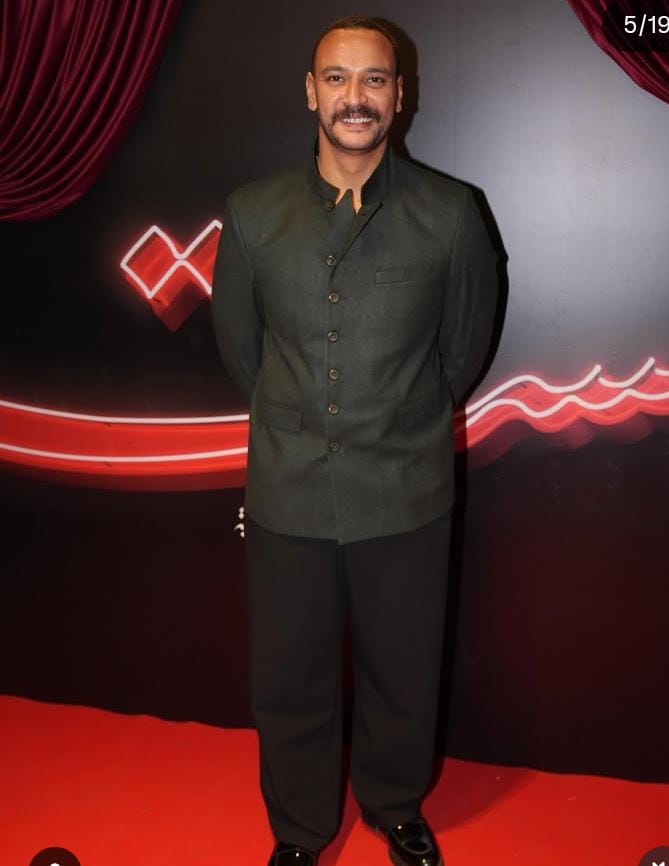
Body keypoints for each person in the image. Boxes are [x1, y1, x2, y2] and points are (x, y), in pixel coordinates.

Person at [211, 15, 499, 866]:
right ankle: (300, 830)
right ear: (310, 92)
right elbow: (243, 354)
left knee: (402, 670)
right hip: (288, 488)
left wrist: (398, 420)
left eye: (374, 79)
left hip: (406, 488)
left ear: (399, 96)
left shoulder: (452, 214)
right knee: (289, 676)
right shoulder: (252, 212)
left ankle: (395, 803)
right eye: (336, 79)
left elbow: (462, 351)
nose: (355, 97)